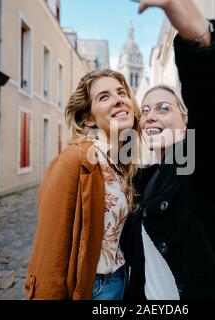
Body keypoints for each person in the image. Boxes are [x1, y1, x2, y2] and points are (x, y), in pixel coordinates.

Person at [121, 0, 215, 300]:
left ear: (185, 123)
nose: (150, 115)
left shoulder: (197, 165)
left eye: (163, 108)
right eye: (144, 111)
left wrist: (200, 42)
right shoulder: (145, 181)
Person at [25, 69, 141, 300]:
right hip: (91, 288)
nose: (119, 99)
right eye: (104, 96)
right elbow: (50, 249)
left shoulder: (121, 165)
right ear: (88, 118)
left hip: (119, 281)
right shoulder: (74, 159)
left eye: (121, 92)